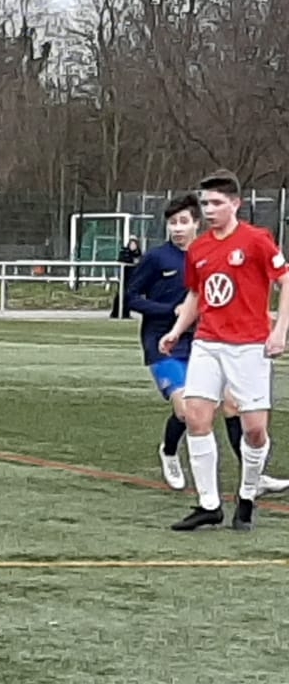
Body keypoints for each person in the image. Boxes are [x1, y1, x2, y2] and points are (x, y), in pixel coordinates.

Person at [126, 194, 289, 496]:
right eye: (172, 223)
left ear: (196, 223)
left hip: (208, 343)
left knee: (233, 406)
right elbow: (130, 298)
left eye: (183, 222)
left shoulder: (211, 251)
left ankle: (253, 476)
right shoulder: (157, 258)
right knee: (186, 411)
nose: (177, 228)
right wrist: (170, 312)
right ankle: (169, 452)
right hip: (165, 344)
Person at [161, 170, 289, 532]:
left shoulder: (257, 240)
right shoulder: (199, 249)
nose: (209, 209)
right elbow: (196, 294)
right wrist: (176, 331)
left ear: (235, 204)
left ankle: (247, 494)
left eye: (217, 203)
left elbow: (285, 281)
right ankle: (209, 504)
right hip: (208, 343)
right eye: (205, 203)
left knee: (254, 431)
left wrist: (279, 331)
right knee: (196, 417)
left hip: (249, 347)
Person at [110, 235, 141, 319]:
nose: (133, 246)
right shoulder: (124, 252)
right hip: (124, 277)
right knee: (120, 295)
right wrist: (131, 260)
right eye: (131, 244)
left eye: (134, 244)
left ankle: (126, 313)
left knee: (128, 296)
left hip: (132, 279)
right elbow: (121, 260)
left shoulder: (138, 253)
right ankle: (115, 313)